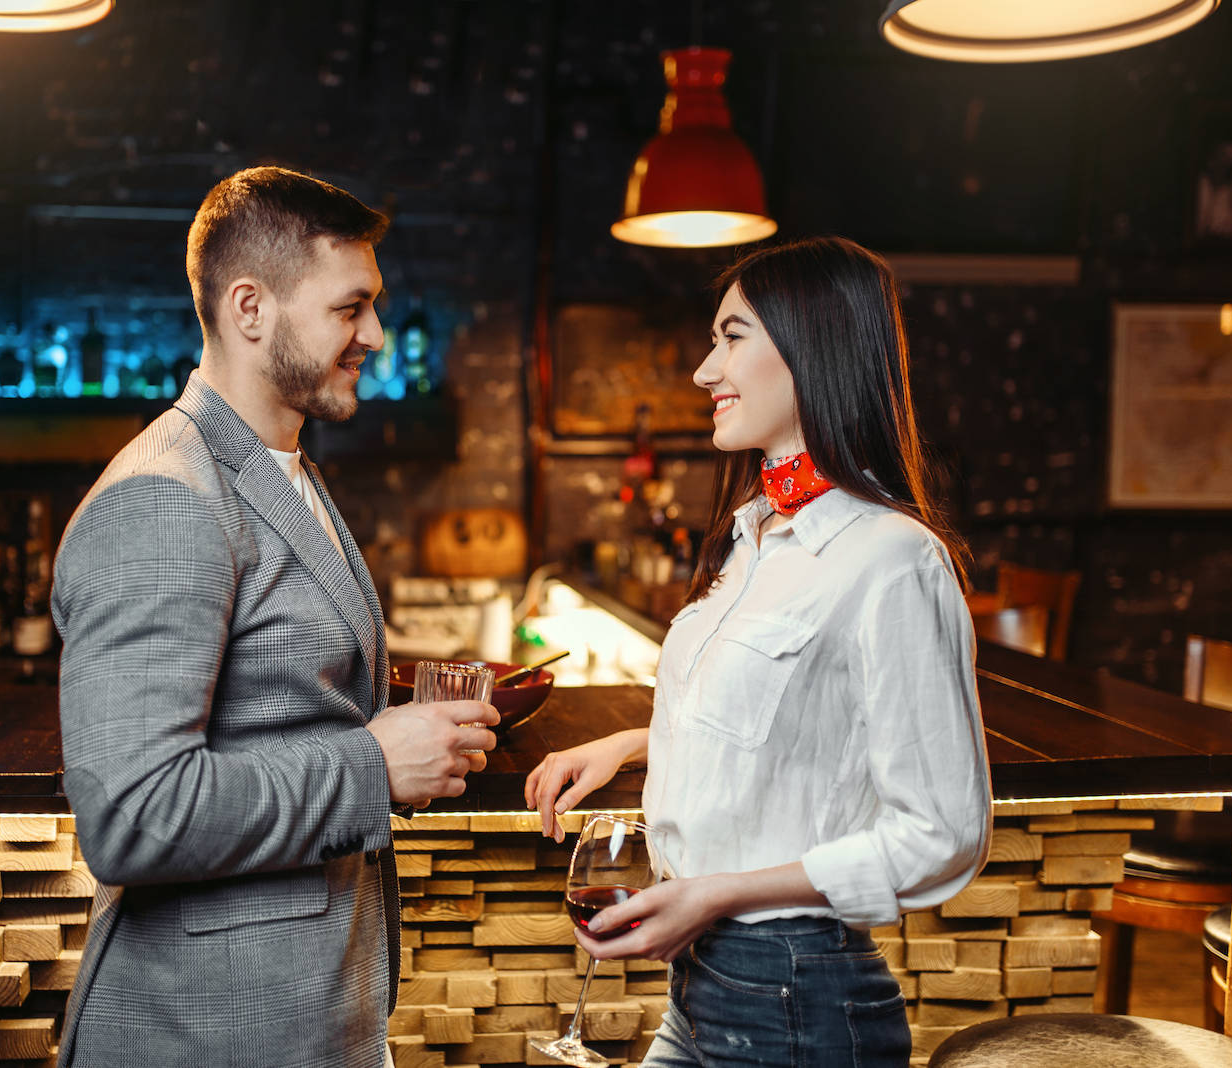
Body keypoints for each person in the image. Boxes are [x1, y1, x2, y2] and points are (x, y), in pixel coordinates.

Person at [52, 167, 499, 1068]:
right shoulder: (163, 500)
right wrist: (374, 763)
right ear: (250, 308)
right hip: (208, 1034)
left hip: (299, 1022)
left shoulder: (278, 464)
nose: (374, 333)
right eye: (350, 308)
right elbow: (132, 816)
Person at [526, 236, 992, 1068]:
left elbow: (941, 831)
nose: (705, 371)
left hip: (798, 997)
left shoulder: (891, 557)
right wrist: (639, 742)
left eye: (731, 337)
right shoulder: (754, 536)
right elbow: (797, 724)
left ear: (812, 347)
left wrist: (716, 894)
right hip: (706, 989)